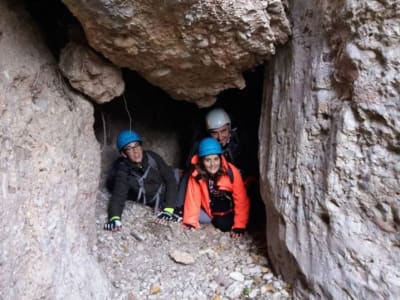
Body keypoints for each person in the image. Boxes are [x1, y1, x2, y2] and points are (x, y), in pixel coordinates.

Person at [104, 129, 181, 231]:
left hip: (170, 187)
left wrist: (169, 209)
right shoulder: (123, 171)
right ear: (123, 154)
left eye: (136, 146)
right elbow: (118, 196)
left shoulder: (152, 157)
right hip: (155, 198)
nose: (135, 151)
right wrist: (114, 218)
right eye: (129, 149)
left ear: (141, 146)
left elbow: (170, 180)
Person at [182, 137, 250, 238]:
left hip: (230, 206)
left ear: (220, 158)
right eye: (208, 160)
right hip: (212, 208)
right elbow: (193, 198)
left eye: (215, 159)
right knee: (216, 222)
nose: (213, 164)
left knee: (225, 225)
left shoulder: (231, 172)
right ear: (201, 161)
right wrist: (190, 222)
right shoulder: (197, 174)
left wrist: (239, 226)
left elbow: (241, 199)